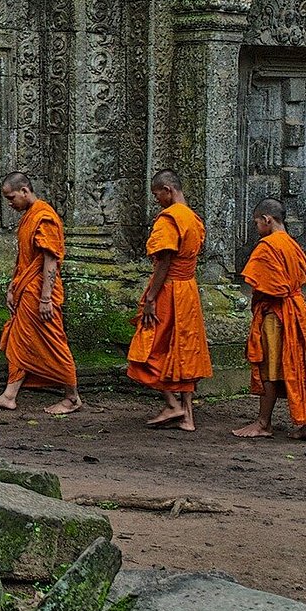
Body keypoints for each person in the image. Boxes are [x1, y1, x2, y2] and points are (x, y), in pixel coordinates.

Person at [0, 172, 82, 415]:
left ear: (25, 190)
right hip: (26, 289)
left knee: (53, 341)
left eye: (11, 197)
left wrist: (46, 298)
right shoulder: (28, 217)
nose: (10, 203)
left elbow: (50, 260)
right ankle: (9, 395)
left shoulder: (44, 217)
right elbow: (24, 258)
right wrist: (12, 287)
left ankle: (72, 397)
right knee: (20, 340)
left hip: (40, 292)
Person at [127, 169, 212, 430]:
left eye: (157, 195)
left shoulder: (170, 218)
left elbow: (164, 260)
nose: (157, 201)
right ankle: (187, 415)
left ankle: (173, 404)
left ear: (168, 190)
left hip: (170, 289)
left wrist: (151, 296)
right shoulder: (193, 219)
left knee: (147, 346)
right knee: (184, 348)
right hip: (189, 289)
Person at [232, 199, 306, 439]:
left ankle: (264, 423)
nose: (256, 227)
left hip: (276, 314)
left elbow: (265, 287)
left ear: (267, 220)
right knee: (298, 363)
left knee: (270, 367)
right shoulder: (293, 245)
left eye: (256, 223)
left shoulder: (268, 247)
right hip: (296, 309)